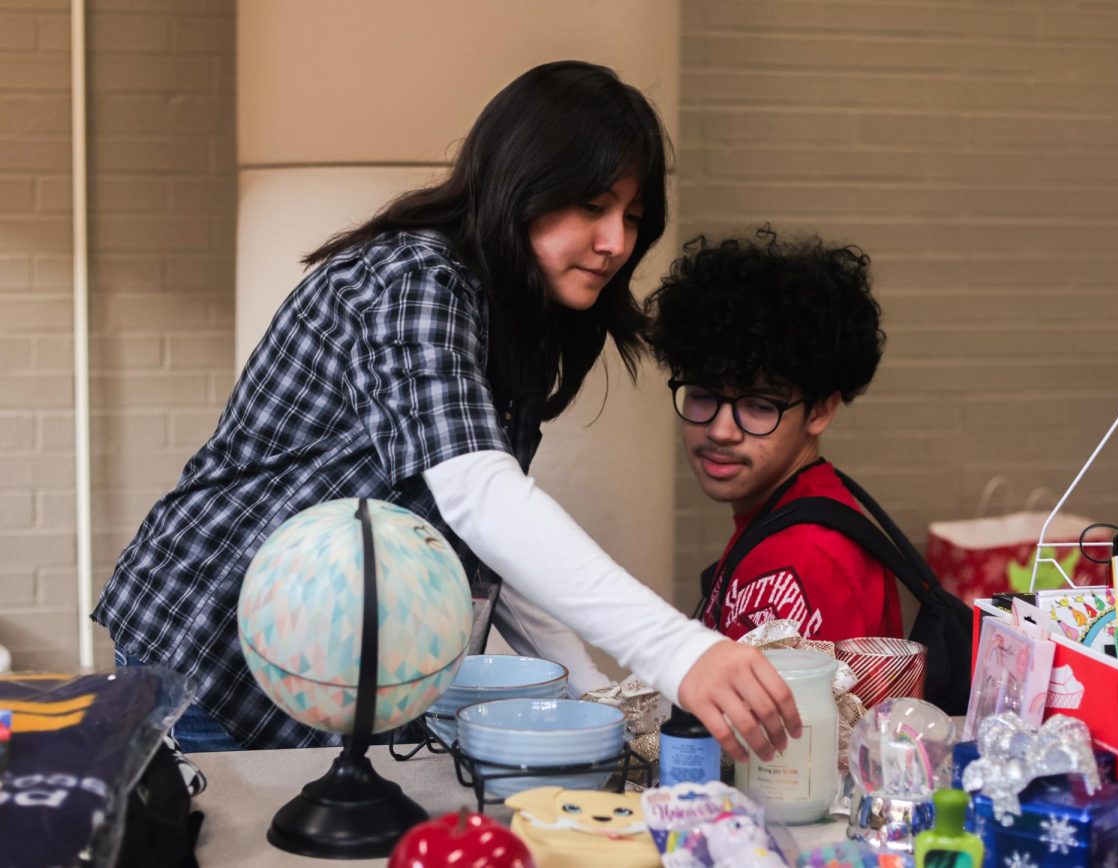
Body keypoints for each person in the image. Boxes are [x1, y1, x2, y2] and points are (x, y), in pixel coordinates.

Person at [93, 61, 800, 760]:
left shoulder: (512, 311)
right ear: (522, 181)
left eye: (632, 218)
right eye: (592, 206)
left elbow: (484, 543)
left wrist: (592, 703)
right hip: (216, 649)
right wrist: (679, 650)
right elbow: (479, 499)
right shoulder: (415, 278)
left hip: (328, 663)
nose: (616, 242)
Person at [644, 229, 903, 643]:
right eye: (702, 396)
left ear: (821, 410)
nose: (720, 430)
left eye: (759, 405)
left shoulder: (795, 557)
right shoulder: (802, 509)